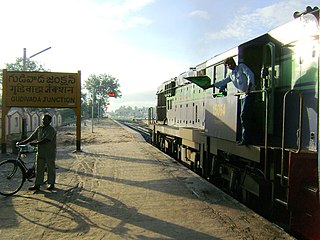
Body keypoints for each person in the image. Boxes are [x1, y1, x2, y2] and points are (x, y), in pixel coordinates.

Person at [206, 57, 255, 145]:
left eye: (231, 63)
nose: (230, 65)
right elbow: (223, 81)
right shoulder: (231, 74)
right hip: (242, 95)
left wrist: (249, 86)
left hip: (249, 93)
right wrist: (211, 86)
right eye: (228, 65)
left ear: (233, 62)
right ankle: (244, 138)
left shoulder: (241, 67)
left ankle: (246, 139)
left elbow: (250, 75)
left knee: (244, 115)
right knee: (243, 117)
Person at [17, 114, 57, 191]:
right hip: (40, 151)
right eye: (43, 119)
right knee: (39, 168)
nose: (44, 121)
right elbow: (32, 137)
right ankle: (37, 184)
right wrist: (23, 142)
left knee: (50, 168)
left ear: (49, 121)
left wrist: (36, 143)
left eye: (46, 120)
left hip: (49, 152)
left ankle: (51, 184)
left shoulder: (51, 130)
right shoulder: (39, 128)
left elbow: (47, 139)